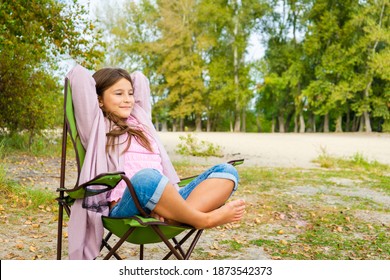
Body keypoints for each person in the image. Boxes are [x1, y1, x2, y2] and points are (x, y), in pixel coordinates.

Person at [66, 64, 245, 260]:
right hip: (126, 207)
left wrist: (124, 84)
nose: (127, 100)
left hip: (167, 199)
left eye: (130, 93)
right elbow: (79, 76)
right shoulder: (96, 125)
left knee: (226, 171)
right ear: (98, 99)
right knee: (147, 178)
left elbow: (140, 79)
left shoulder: (141, 120)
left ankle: (174, 214)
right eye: (118, 94)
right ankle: (204, 219)